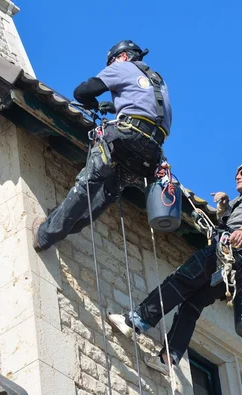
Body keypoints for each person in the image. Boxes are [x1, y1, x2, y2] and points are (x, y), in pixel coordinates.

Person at [108, 160, 242, 374]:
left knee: (178, 282)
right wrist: (224, 207)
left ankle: (136, 322)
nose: (237, 176)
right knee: (191, 306)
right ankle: (168, 358)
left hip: (223, 255)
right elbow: (233, 222)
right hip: (235, 271)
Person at [32, 40, 172, 251]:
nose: (110, 67)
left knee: (89, 182)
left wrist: (92, 102)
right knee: (108, 193)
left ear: (123, 56)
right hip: (151, 151)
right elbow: (144, 108)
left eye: (111, 62)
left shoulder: (123, 67)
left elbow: (82, 91)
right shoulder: (158, 82)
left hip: (125, 139)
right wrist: (116, 108)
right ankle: (66, 226)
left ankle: (47, 234)